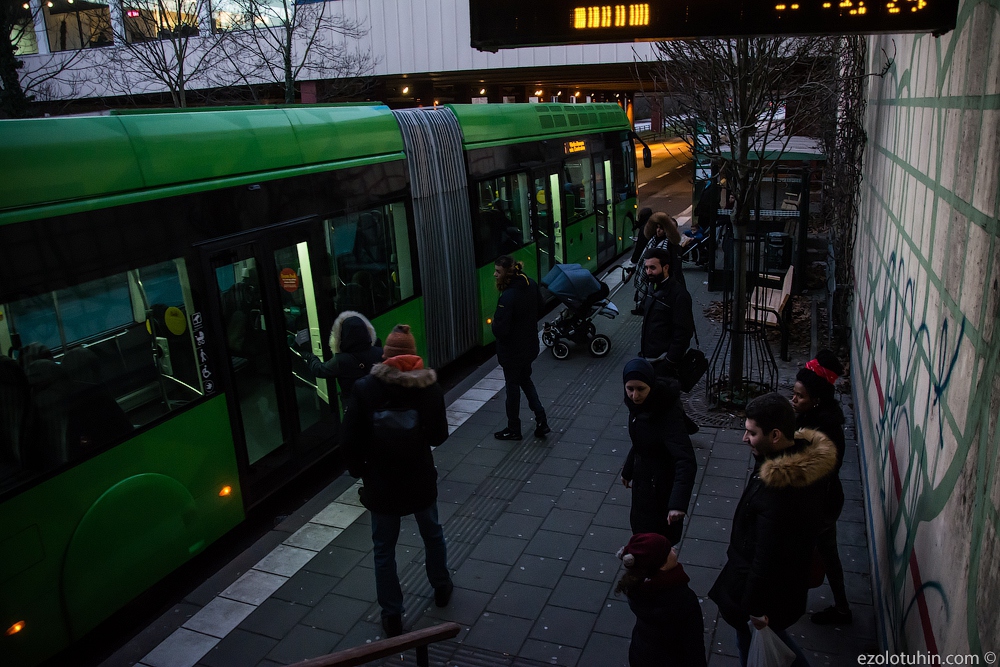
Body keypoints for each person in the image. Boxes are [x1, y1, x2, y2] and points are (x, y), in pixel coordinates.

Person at [708, 393, 838, 667]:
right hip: (786, 586)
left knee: (753, 644)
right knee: (772, 643)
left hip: (759, 591)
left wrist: (755, 609)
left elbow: (765, 555)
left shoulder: (777, 491)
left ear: (776, 435)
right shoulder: (807, 463)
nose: (745, 439)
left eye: (752, 433)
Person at [340, 324, 453, 638]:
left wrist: (359, 470)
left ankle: (392, 615)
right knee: (432, 534)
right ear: (413, 355)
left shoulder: (364, 388)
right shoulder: (429, 387)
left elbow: (349, 439)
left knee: (383, 550)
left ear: (386, 356)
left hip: (381, 483)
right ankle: (441, 586)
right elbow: (439, 436)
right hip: (419, 479)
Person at [792, 350, 852, 626]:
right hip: (824, 502)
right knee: (828, 552)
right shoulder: (819, 418)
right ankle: (841, 608)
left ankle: (790, 602)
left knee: (803, 552)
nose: (794, 400)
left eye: (799, 396)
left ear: (815, 400)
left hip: (817, 505)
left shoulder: (821, 431)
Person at [620, 358, 696, 544]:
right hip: (644, 485)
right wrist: (628, 469)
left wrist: (677, 504)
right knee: (644, 537)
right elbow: (641, 440)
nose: (634, 395)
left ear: (651, 386)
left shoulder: (666, 412)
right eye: (630, 389)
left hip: (660, 489)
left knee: (656, 543)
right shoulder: (638, 406)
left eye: (640, 389)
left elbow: (685, 459)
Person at [614, 533, 707, 667]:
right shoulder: (682, 599)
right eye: (669, 550)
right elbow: (693, 643)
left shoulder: (636, 587)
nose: (674, 550)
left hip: (642, 652)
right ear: (661, 566)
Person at [492, 255, 549, 440]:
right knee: (526, 380)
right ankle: (541, 419)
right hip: (529, 346)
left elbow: (500, 329)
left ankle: (513, 428)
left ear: (507, 274)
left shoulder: (508, 296)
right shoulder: (530, 284)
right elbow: (541, 306)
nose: (495, 275)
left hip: (512, 352)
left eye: (498, 272)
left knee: (512, 388)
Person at [302, 310, 383, 403]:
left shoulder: (341, 360)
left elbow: (319, 370)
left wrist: (311, 357)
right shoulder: (380, 352)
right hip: (377, 401)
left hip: (354, 404)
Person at [639, 247, 694, 378]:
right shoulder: (652, 286)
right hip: (649, 358)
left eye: (652, 268)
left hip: (663, 363)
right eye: (646, 268)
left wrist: (669, 361)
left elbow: (684, 332)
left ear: (666, 267)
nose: (648, 272)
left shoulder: (678, 295)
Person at [630, 213, 684, 314]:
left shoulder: (669, 244)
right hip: (652, 276)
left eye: (661, 228)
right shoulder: (653, 240)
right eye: (657, 227)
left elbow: (675, 266)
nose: (658, 230)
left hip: (664, 279)